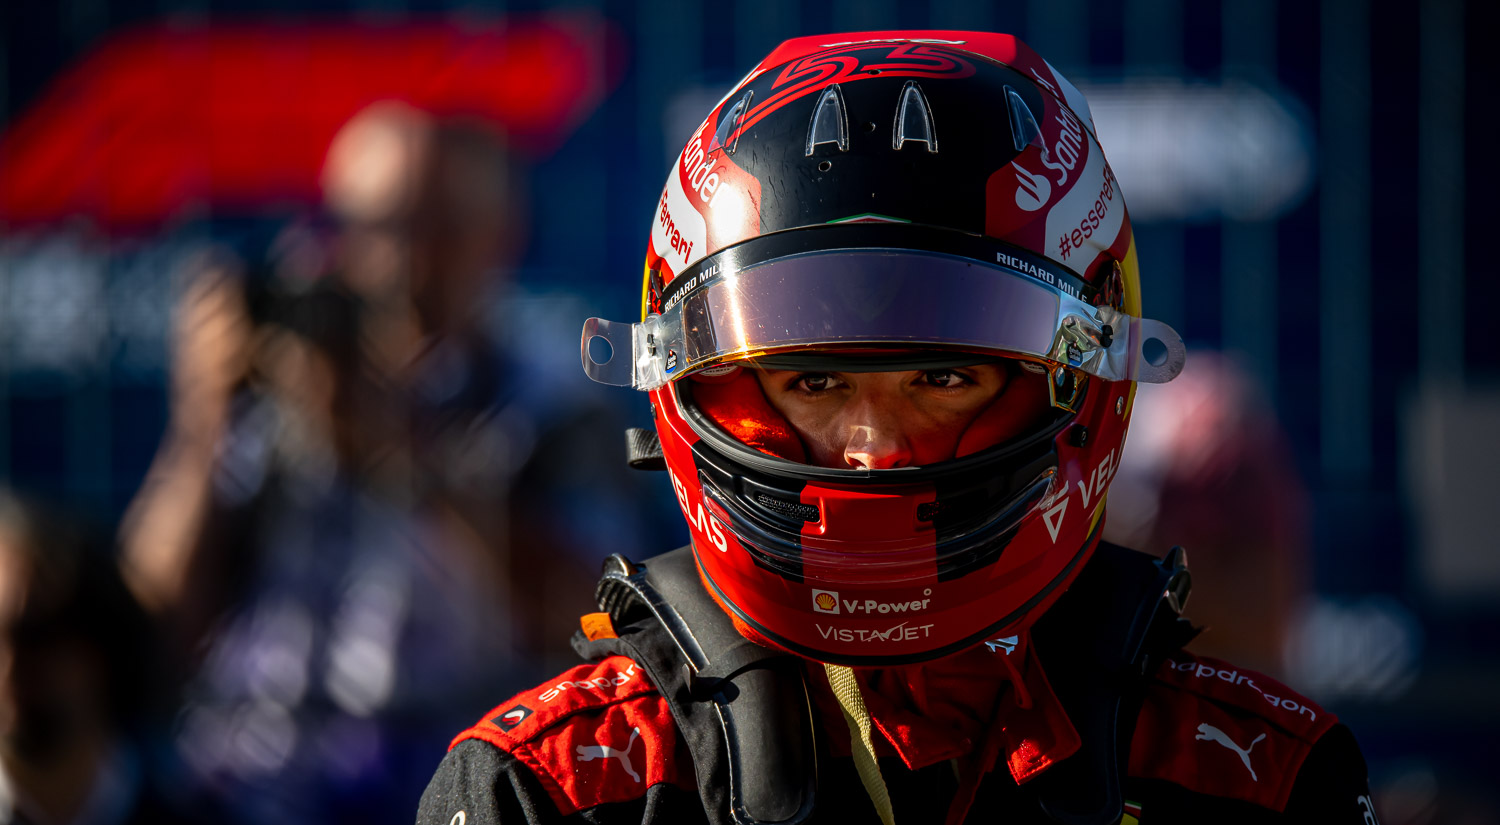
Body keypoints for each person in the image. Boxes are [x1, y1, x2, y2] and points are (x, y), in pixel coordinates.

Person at [417, 32, 1378, 825]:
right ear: (685, 382)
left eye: (943, 377)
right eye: (815, 379)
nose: (872, 444)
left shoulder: (1268, 784)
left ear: (1084, 383)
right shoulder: (548, 789)